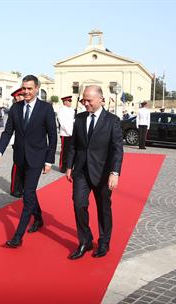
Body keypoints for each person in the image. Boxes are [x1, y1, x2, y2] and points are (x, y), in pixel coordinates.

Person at [0, 75, 57, 248]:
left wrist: (49, 160)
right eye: (24, 88)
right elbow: (7, 132)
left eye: (30, 88)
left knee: (27, 194)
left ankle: (18, 236)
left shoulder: (46, 109)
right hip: (20, 157)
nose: (26, 91)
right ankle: (38, 218)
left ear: (37, 89)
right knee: (29, 191)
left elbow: (52, 135)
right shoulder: (15, 108)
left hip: (37, 158)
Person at [66, 85, 123, 260]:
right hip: (81, 171)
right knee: (79, 204)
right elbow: (74, 144)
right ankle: (85, 240)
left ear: (100, 99)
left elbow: (117, 149)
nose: (86, 103)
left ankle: (104, 242)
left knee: (103, 208)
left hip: (103, 172)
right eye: (84, 100)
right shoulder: (80, 118)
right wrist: (69, 166)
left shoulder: (112, 120)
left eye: (89, 100)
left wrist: (115, 172)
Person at [9, 88, 25, 198]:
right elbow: (9, 128)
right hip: (17, 141)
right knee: (17, 166)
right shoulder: (14, 109)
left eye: (20, 96)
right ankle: (15, 188)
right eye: (17, 97)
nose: (18, 98)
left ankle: (22, 187)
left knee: (25, 166)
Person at [57, 95, 75, 173]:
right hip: (65, 133)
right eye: (69, 101)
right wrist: (69, 132)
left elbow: (72, 121)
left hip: (72, 133)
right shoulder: (61, 110)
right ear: (65, 102)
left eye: (71, 101)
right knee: (64, 151)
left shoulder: (72, 110)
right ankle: (62, 166)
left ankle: (69, 166)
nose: (70, 102)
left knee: (71, 151)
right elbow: (62, 122)